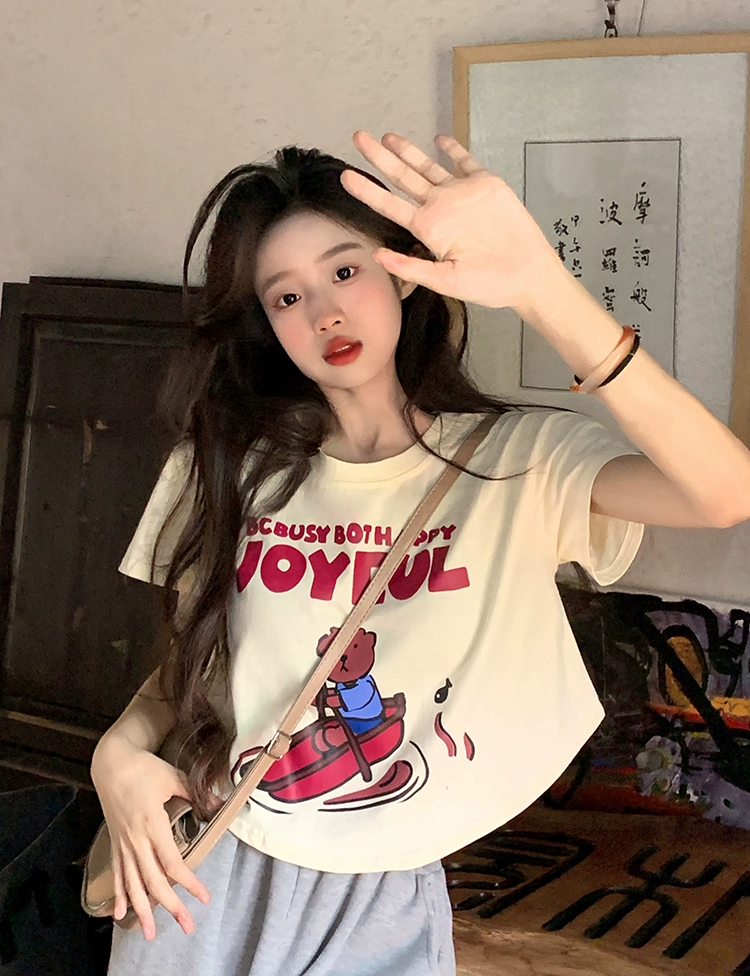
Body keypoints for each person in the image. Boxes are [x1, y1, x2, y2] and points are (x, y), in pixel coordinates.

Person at [92, 130, 750, 976]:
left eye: (345, 271)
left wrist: (542, 287)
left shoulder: (517, 462)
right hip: (207, 865)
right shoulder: (226, 466)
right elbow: (190, 672)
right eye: (286, 296)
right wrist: (116, 756)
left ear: (404, 273)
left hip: (386, 888)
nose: (325, 312)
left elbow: (726, 494)